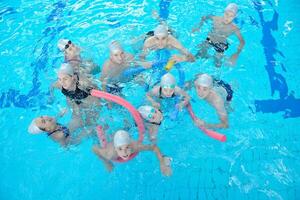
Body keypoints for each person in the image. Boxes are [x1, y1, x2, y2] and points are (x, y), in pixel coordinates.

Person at [92, 129, 172, 176]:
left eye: (127, 147)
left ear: (130, 145)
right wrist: (106, 162)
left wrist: (162, 163)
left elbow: (154, 147)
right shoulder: (109, 154)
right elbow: (94, 149)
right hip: (109, 136)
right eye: (120, 149)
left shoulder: (135, 147)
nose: (124, 152)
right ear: (115, 149)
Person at [192, 3, 245, 67]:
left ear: (234, 17)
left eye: (231, 16)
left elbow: (242, 42)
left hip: (221, 44)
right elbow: (204, 17)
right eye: (227, 14)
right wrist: (198, 27)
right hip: (209, 40)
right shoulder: (216, 19)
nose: (227, 18)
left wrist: (236, 55)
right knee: (198, 55)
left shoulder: (234, 28)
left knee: (218, 63)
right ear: (224, 12)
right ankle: (205, 56)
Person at [52, 63, 101, 130]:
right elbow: (51, 86)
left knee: (90, 122)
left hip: (88, 99)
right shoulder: (59, 84)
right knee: (75, 121)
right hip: (73, 100)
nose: (62, 82)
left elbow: (98, 91)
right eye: (59, 79)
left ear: (73, 77)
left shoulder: (83, 83)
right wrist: (51, 97)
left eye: (65, 79)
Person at [28, 115, 92, 147]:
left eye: (42, 117)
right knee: (91, 130)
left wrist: (60, 114)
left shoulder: (51, 123)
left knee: (78, 120)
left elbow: (55, 118)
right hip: (71, 141)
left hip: (66, 130)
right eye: (44, 121)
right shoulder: (59, 135)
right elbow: (64, 144)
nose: (46, 118)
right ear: (47, 129)